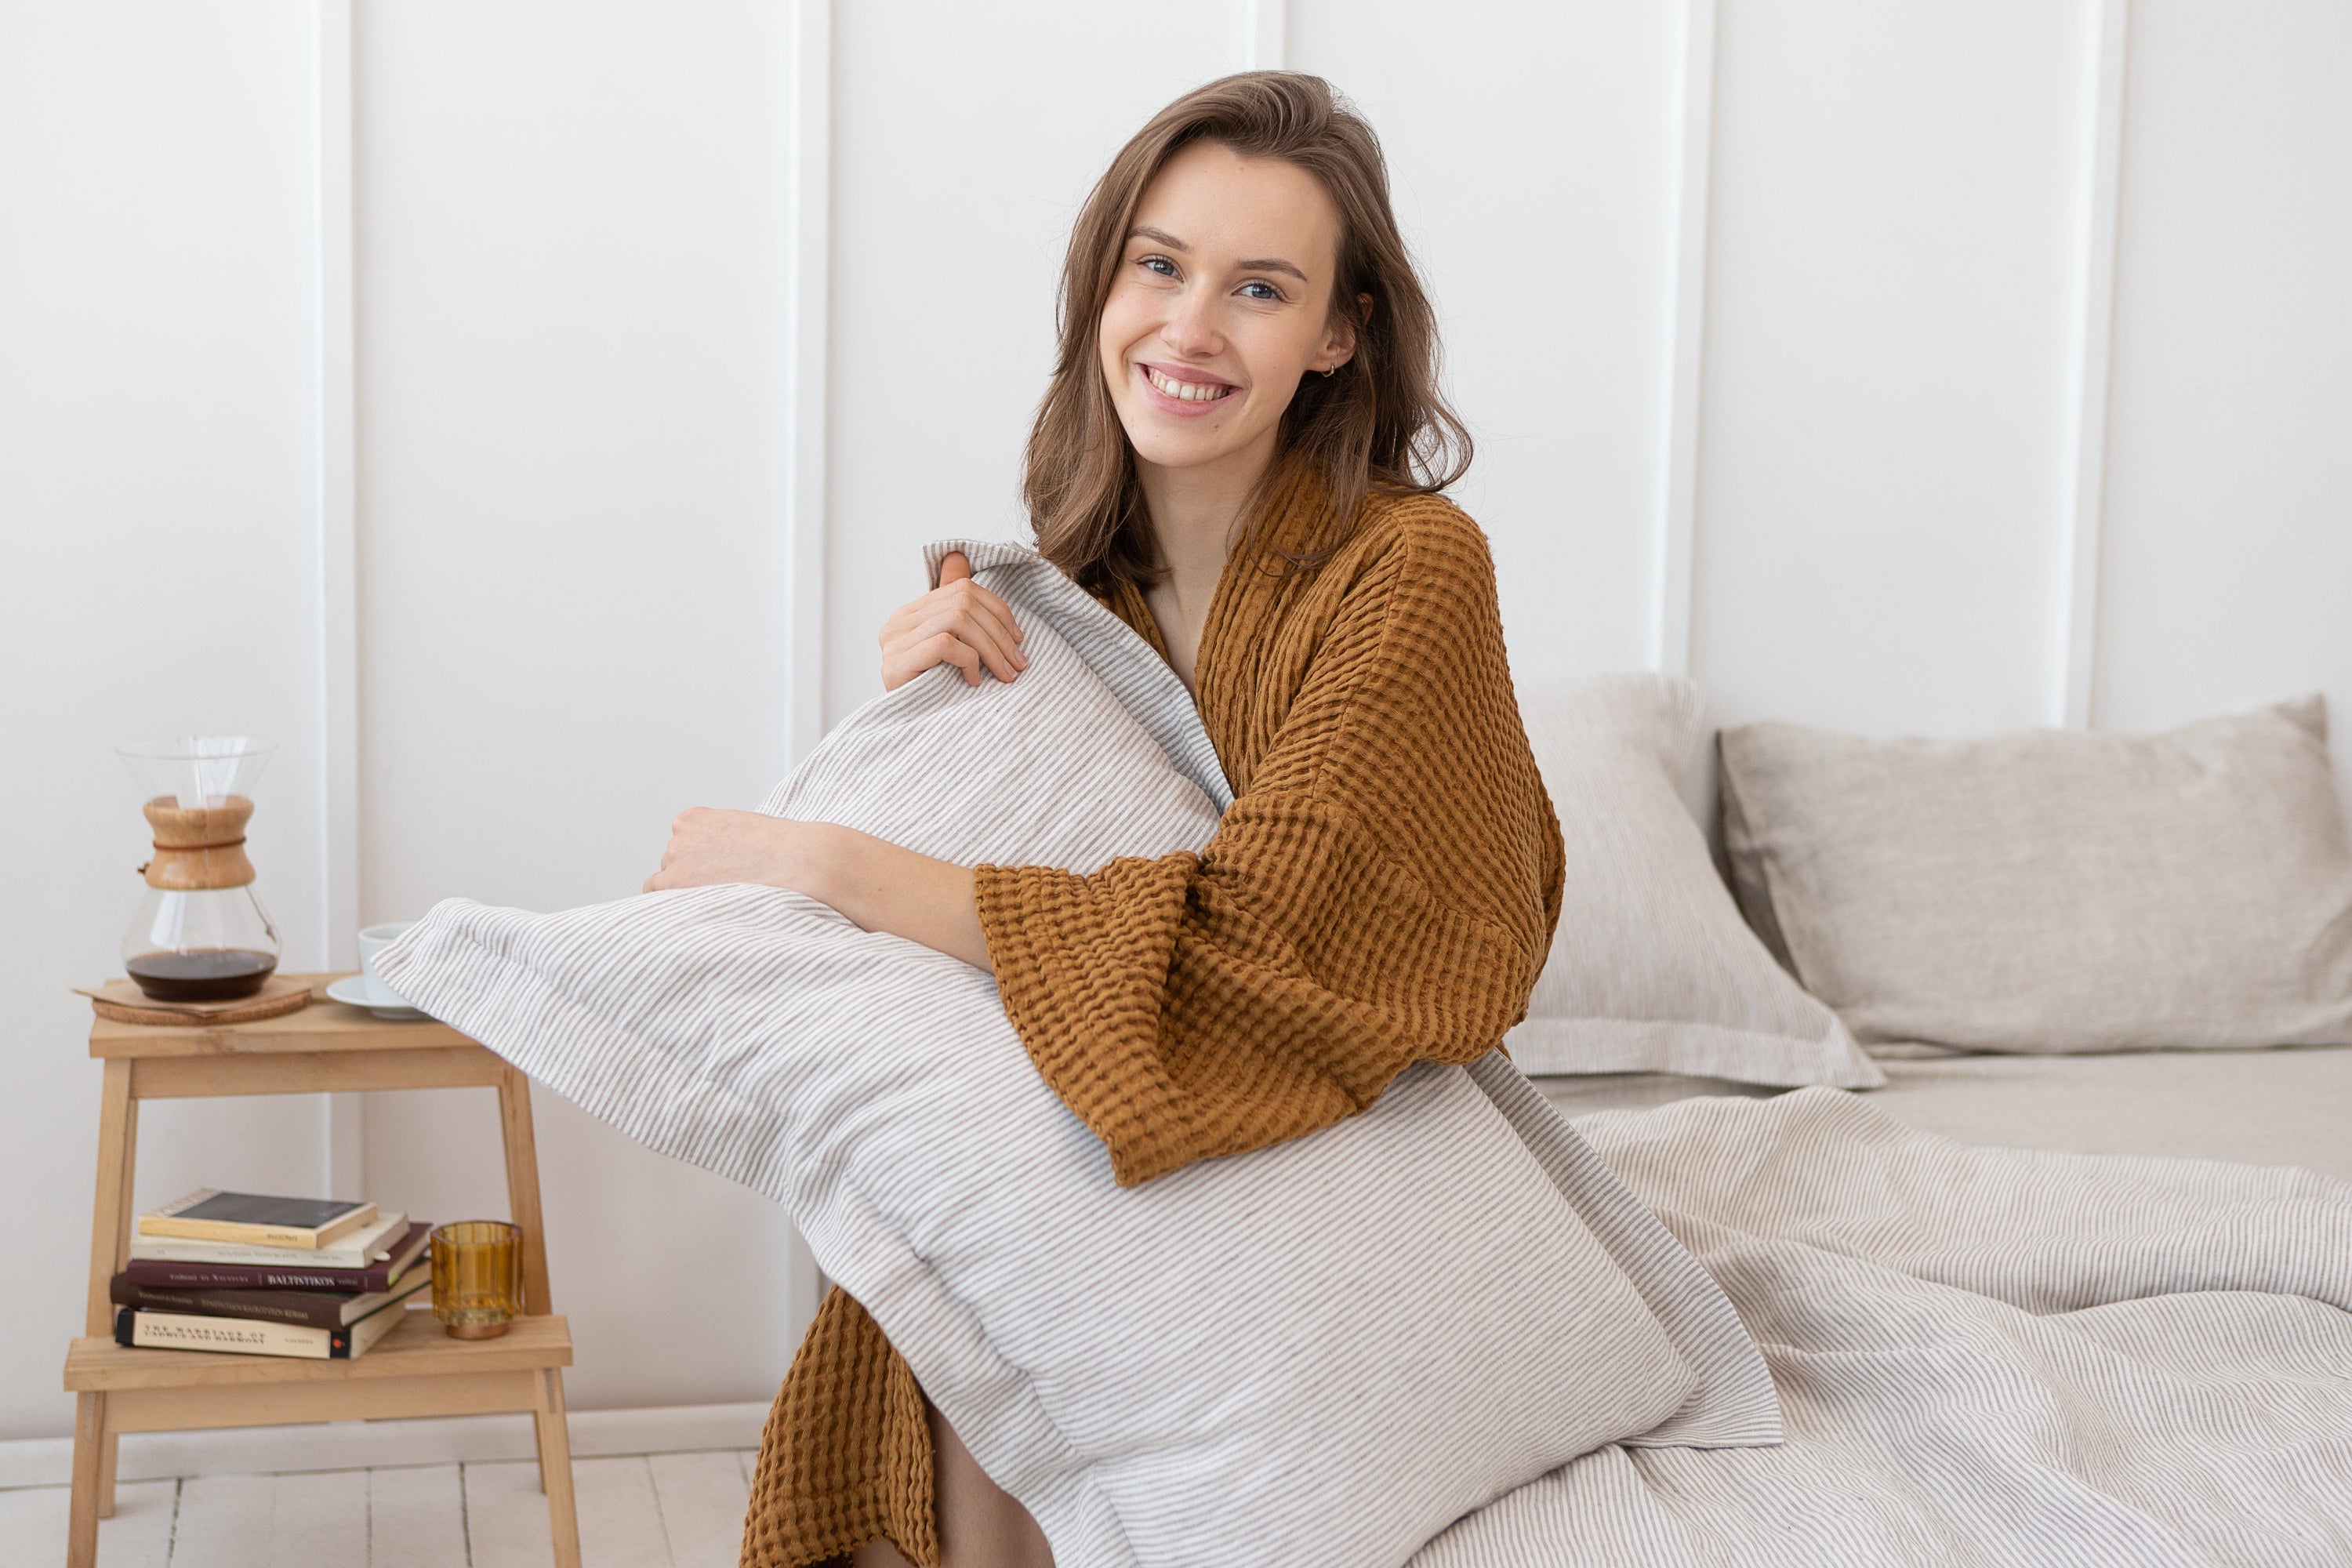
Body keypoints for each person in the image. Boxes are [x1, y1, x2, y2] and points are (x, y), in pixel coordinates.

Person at [647, 71, 1566, 1568]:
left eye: (1259, 288)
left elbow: (1270, 935)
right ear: (1105, 285)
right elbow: (1035, 890)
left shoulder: (1413, 567)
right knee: (951, 1196)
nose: (1191, 327)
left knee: (1008, 1210)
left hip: (1342, 1101)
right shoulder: (1060, 587)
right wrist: (922, 720)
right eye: (1160, 264)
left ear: (1339, 336)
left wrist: (829, 861)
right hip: (1126, 1087)